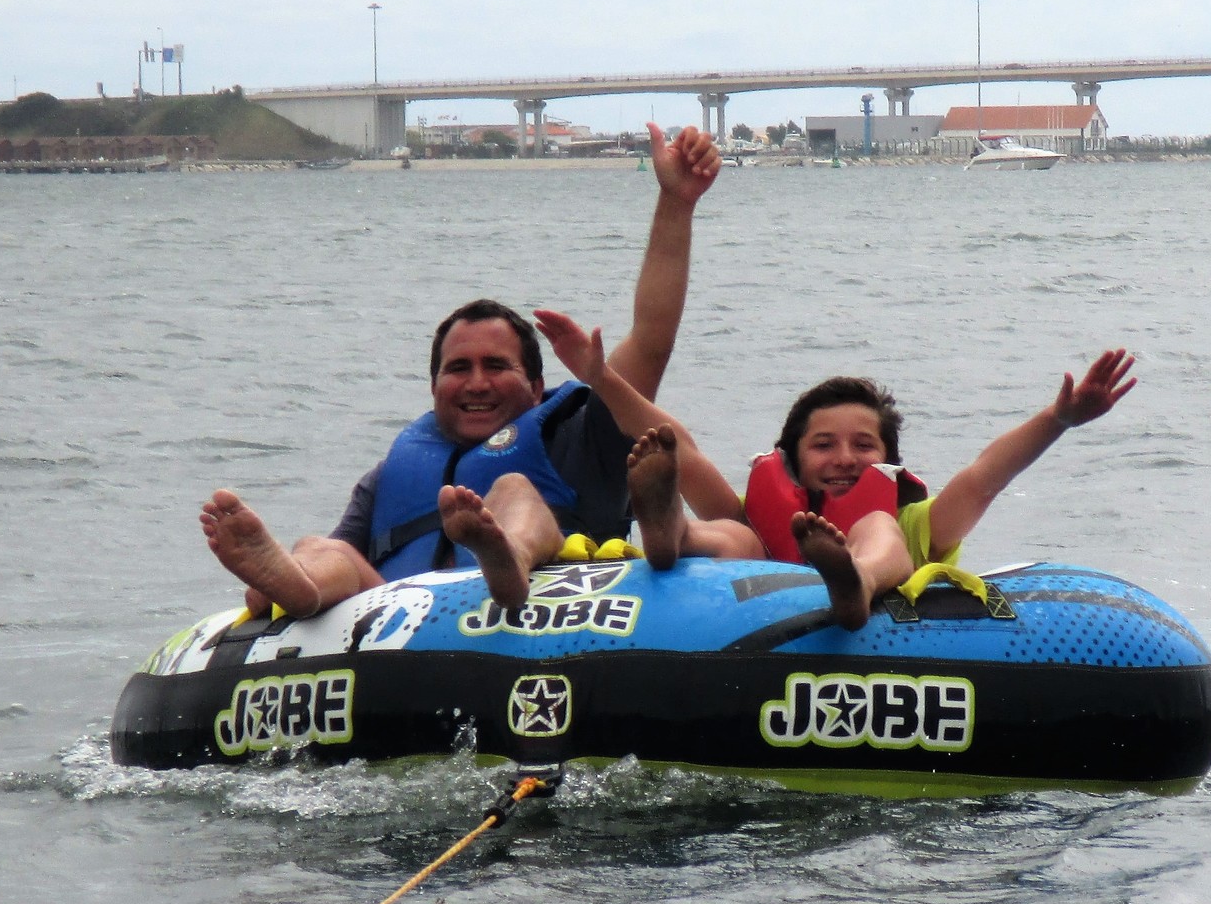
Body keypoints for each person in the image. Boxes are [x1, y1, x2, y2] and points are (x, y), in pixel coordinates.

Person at [197, 121, 721, 614]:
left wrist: (675, 202)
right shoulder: (389, 476)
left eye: (497, 365)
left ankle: (507, 554)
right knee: (322, 547)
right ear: (433, 386)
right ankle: (296, 585)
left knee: (514, 489)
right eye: (458, 368)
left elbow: (652, 339)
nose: (476, 383)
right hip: (400, 626)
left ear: (537, 387)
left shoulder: (580, 435)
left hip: (538, 610)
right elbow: (353, 559)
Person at [543, 338, 1139, 630]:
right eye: (823, 445)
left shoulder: (915, 522)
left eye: (865, 445)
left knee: (876, 527)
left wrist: (1058, 418)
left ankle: (854, 578)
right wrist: (601, 378)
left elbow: (986, 476)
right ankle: (667, 529)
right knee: (731, 536)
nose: (844, 457)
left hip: (870, 600)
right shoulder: (759, 513)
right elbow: (679, 444)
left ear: (890, 462)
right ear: (791, 461)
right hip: (731, 582)